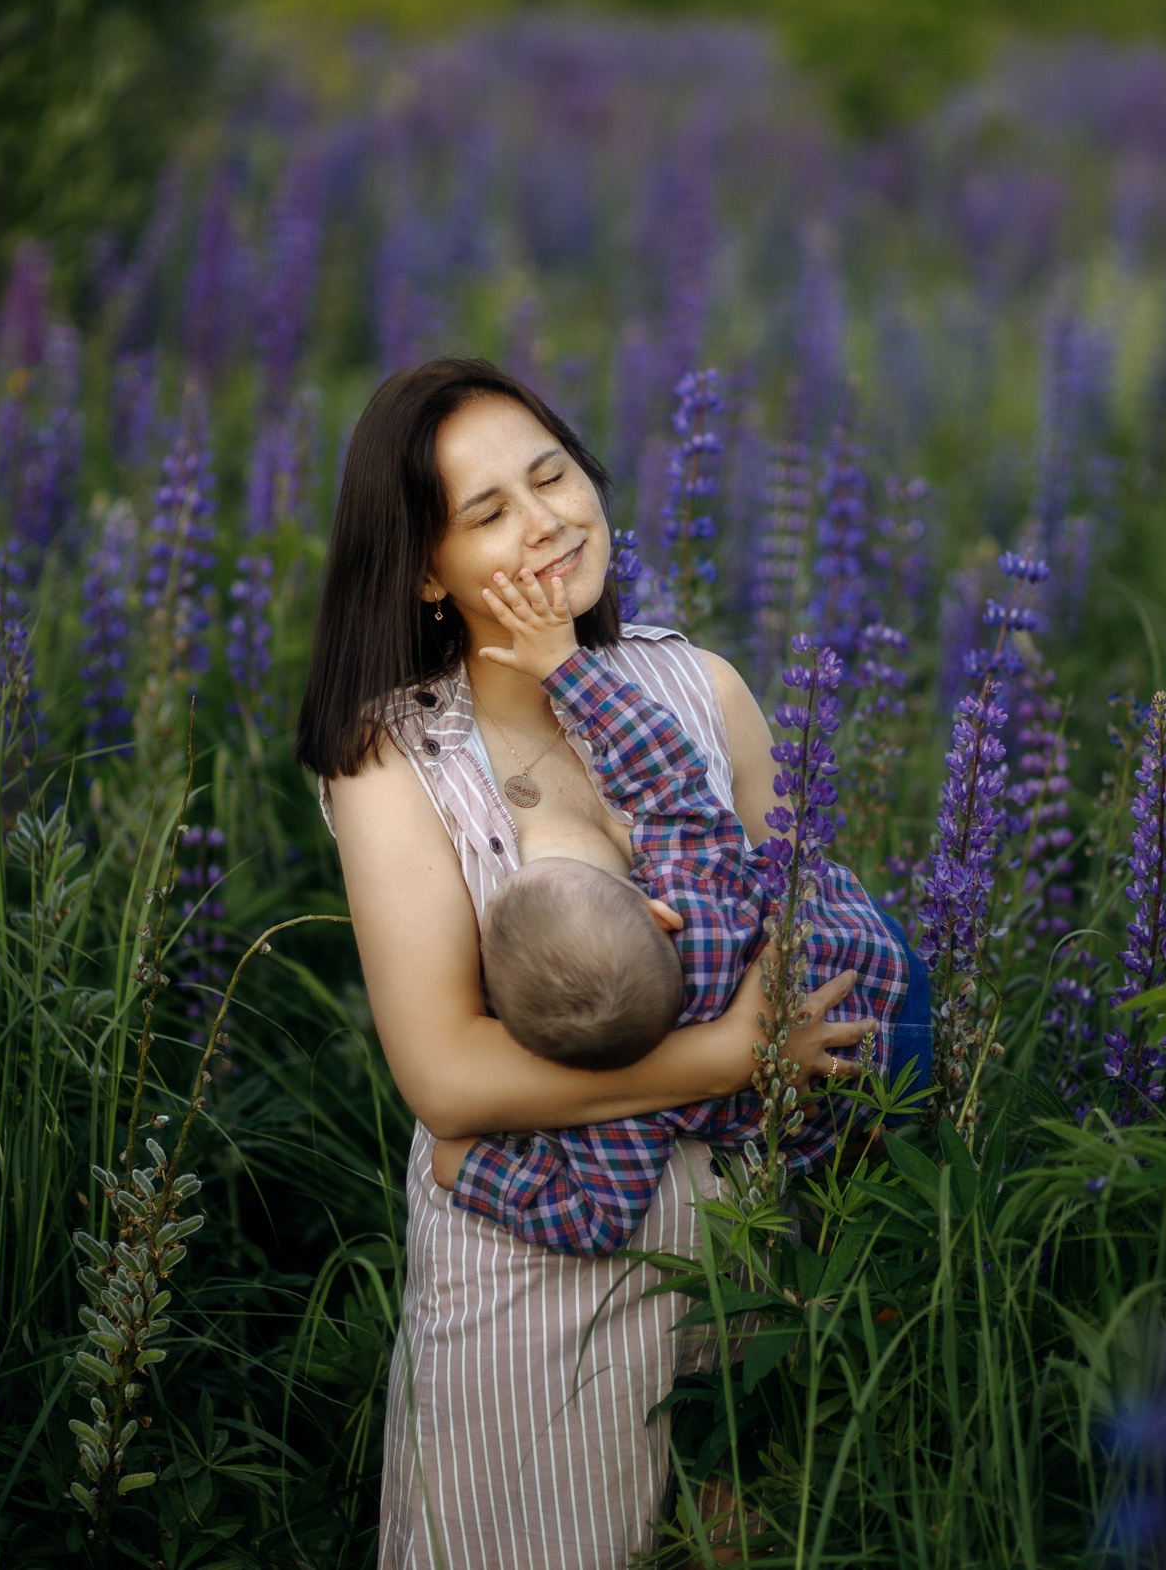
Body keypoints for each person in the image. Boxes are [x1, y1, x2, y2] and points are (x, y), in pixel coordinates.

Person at [296, 358, 877, 1570]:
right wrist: (725, 1051)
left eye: (552, 474)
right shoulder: (393, 754)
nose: (545, 519)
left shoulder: (699, 683)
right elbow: (446, 1079)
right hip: (535, 1275)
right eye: (487, 511)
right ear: (422, 569)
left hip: (747, 1244)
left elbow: (797, 920)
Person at [446, 561, 909, 1257]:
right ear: (651, 908)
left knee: (866, 1205)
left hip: (838, 1113)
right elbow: (666, 770)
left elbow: (594, 1221)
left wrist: (473, 1171)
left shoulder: (616, 1111)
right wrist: (565, 668)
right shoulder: (692, 887)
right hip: (884, 977)